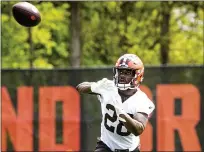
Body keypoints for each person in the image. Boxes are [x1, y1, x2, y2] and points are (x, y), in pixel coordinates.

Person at [76, 54, 155, 152]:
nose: (122, 75)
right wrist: (96, 86)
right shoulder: (109, 88)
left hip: (129, 149)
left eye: (127, 73)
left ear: (137, 75)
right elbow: (80, 87)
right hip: (106, 146)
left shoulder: (141, 100)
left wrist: (121, 113)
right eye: (120, 72)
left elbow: (138, 129)